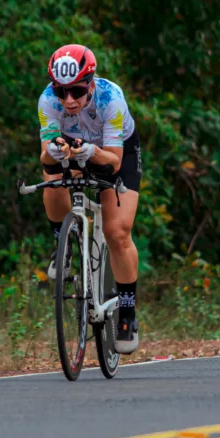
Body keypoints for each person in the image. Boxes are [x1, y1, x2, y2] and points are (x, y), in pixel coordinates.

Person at [38, 44, 141, 354]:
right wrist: (53, 152)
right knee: (52, 182)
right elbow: (46, 161)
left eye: (77, 91)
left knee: (116, 232)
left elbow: (114, 163)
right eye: (62, 91)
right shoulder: (47, 101)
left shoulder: (111, 100)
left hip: (114, 151)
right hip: (73, 144)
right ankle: (64, 244)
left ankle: (127, 312)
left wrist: (93, 152)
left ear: (91, 83)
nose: (69, 100)